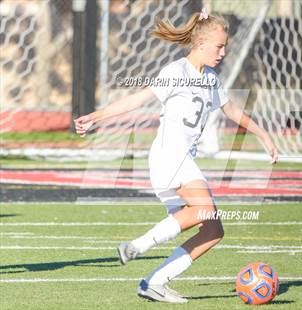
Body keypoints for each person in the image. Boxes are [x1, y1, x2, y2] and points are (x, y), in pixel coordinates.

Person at [74, 8, 278, 304]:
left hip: (179, 160)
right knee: (203, 210)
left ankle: (154, 282)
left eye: (225, 47)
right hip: (169, 156)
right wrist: (97, 116)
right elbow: (137, 99)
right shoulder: (175, 72)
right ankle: (137, 245)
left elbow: (232, 110)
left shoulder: (210, 79)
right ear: (200, 44)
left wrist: (264, 136)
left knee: (213, 230)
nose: (223, 53)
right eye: (219, 46)